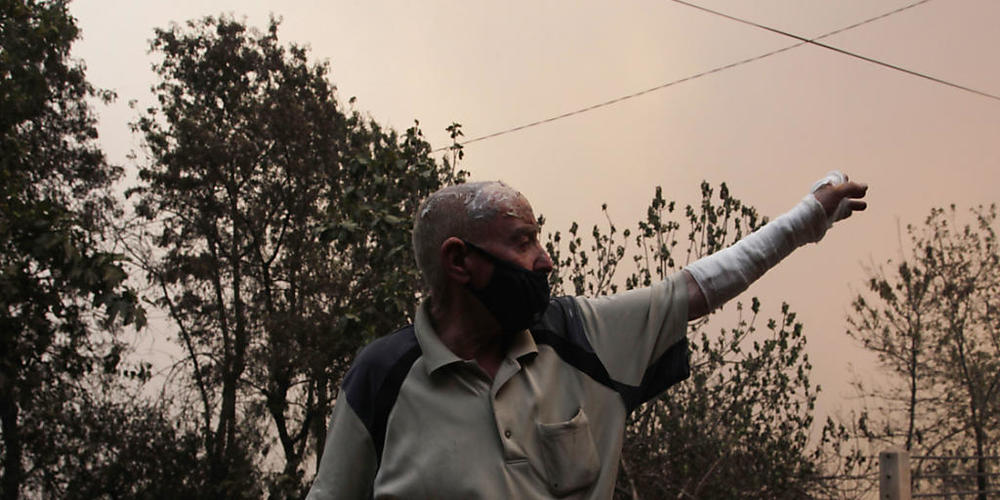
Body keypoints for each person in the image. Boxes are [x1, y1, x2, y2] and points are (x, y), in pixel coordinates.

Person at [307, 173, 868, 499]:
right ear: (460, 262)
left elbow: (699, 286)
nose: (544, 260)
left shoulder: (581, 336)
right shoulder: (381, 377)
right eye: (522, 242)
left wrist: (804, 221)